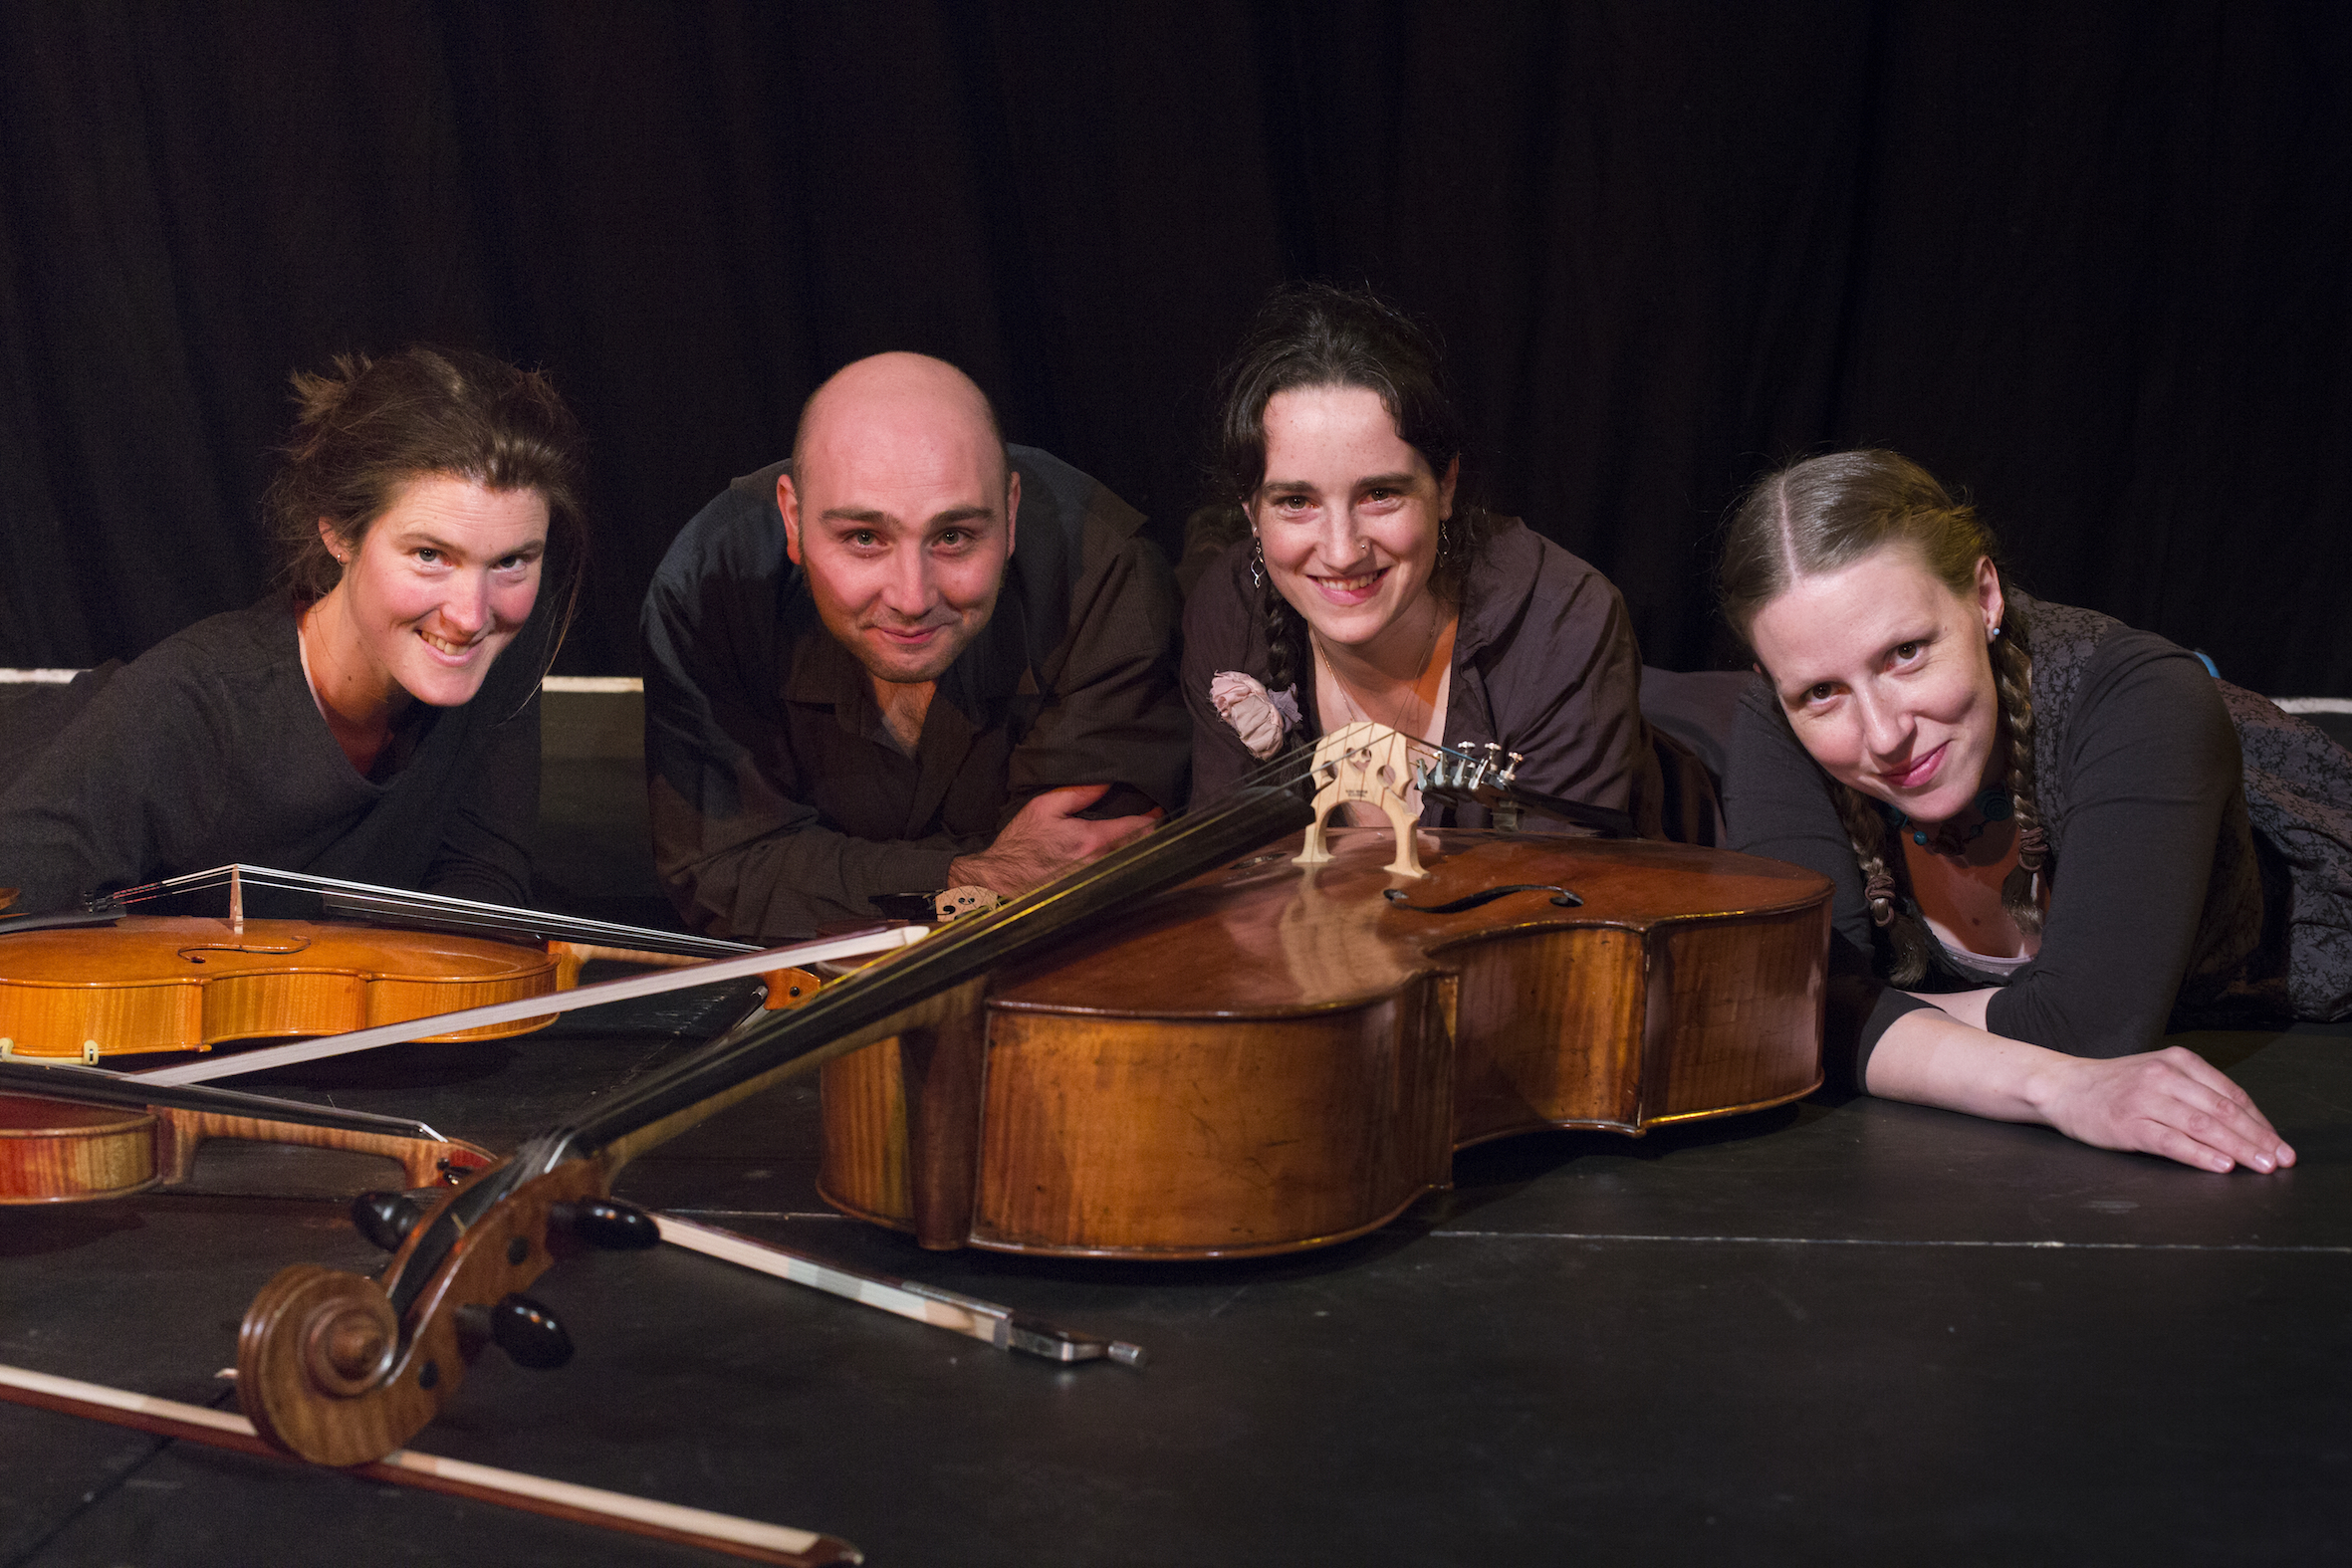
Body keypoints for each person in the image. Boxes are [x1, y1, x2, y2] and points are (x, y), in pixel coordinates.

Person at [1719, 448, 2352, 1173]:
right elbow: (1786, 1004)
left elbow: (2083, 1031)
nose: (1885, 734)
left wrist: (1860, 1007)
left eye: (1906, 652)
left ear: (1985, 596)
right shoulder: (1779, 718)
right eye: (1822, 693)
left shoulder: (2143, 699)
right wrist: (2053, 1084)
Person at [0, 345, 585, 918]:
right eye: (429, 554)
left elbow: (479, 884)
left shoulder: (501, 641)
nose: (471, 615)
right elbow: (18, 904)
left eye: (511, 561)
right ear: (339, 533)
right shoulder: (195, 705)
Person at [640, 351, 1189, 941]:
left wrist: (824, 877)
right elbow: (721, 874)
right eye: (864, 538)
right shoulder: (710, 589)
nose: (912, 597)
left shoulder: (1104, 575)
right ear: (793, 520)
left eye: (952, 536)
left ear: (1010, 511)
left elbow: (1076, 880)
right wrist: (969, 876)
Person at [1183, 282, 1702, 839]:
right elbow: (1230, 866)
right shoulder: (1227, 611)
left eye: (1380, 493)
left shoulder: (1561, 621)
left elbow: (1556, 884)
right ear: (1250, 511)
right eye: (1296, 502)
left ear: (1446, 486)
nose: (1341, 551)